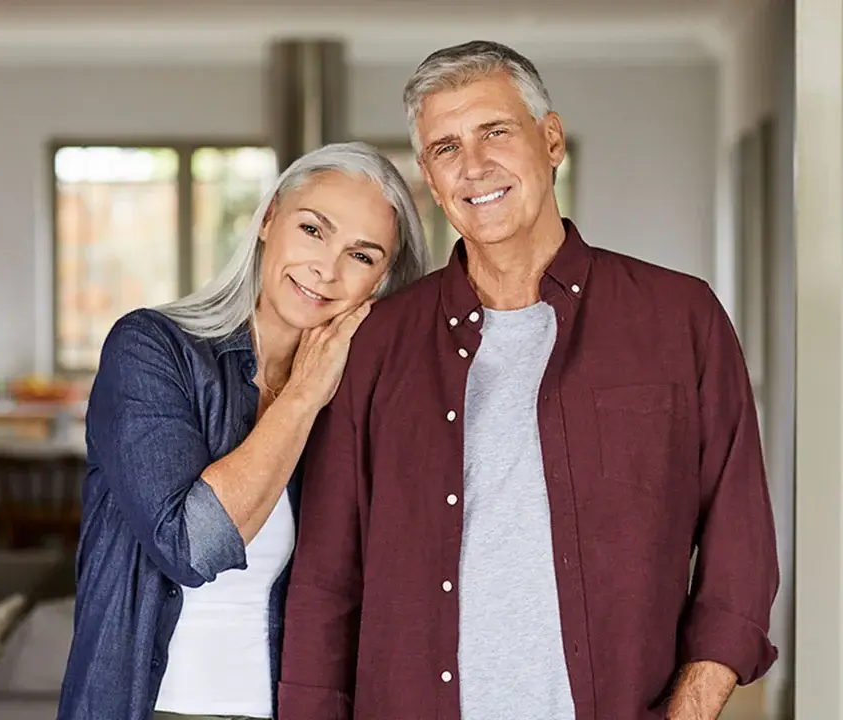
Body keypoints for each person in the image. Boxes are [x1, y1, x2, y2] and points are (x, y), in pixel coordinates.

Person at [278, 41, 779, 720]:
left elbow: (739, 543)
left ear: (550, 140)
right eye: (447, 147)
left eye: (495, 131)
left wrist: (689, 709)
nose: (474, 165)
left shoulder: (679, 317)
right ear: (428, 173)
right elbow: (325, 583)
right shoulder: (376, 343)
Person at [56, 142, 429, 720]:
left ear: (380, 284)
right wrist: (303, 394)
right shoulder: (152, 350)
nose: (325, 269)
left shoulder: (359, 405)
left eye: (361, 256)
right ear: (270, 218)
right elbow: (192, 546)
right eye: (313, 229)